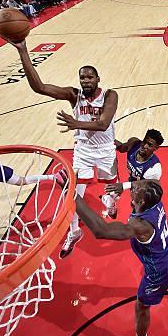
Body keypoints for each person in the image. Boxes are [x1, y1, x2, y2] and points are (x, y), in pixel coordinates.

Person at [11, 39, 119, 259]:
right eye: (82, 77)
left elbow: (103, 124)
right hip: (83, 151)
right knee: (73, 196)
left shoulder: (110, 95)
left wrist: (75, 123)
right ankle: (75, 231)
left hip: (106, 149)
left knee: (112, 187)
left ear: (98, 79)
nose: (86, 81)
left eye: (90, 77)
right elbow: (40, 88)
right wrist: (23, 51)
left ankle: (110, 201)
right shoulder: (73, 95)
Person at [75, 180, 168, 336]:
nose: (134, 187)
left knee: (141, 306)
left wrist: (73, 196)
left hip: (159, 268)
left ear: (141, 201)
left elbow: (101, 231)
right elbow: (150, 182)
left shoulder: (140, 225)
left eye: (136, 189)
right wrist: (124, 186)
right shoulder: (154, 198)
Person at [103, 129, 164, 219]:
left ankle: (138, 220)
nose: (144, 146)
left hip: (144, 189)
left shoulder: (153, 168)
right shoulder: (134, 143)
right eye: (144, 141)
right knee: (112, 192)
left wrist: (124, 186)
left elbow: (145, 186)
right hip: (133, 181)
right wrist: (105, 138)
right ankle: (112, 204)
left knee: (138, 206)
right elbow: (121, 148)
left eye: (149, 145)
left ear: (156, 148)